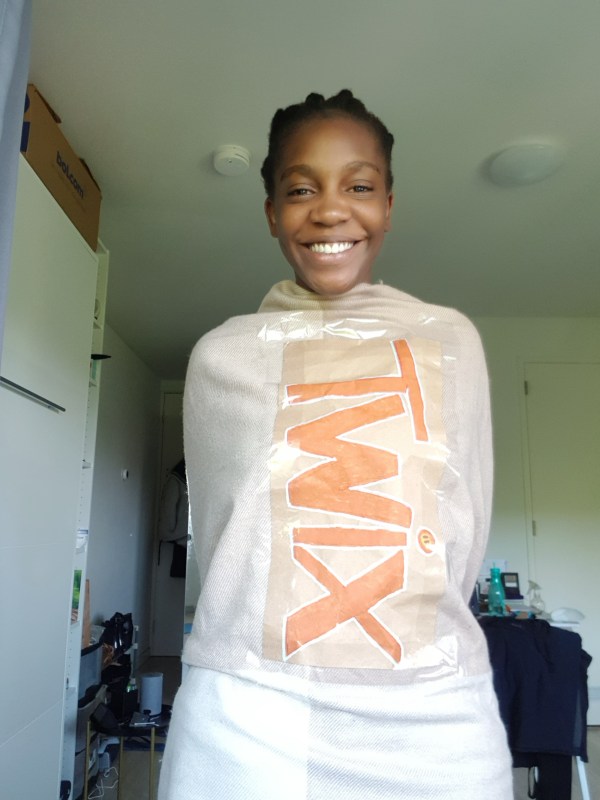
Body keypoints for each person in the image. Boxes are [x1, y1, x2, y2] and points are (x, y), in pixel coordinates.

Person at [158, 90, 513, 800]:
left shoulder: (450, 342)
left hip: (432, 715)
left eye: (358, 186)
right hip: (248, 711)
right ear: (271, 212)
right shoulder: (222, 357)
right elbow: (226, 537)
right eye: (301, 189)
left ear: (388, 205)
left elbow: (463, 526)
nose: (329, 211)